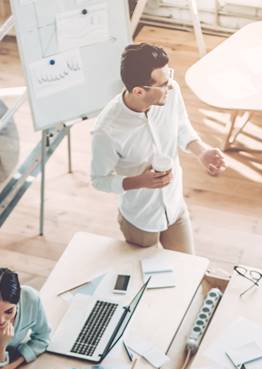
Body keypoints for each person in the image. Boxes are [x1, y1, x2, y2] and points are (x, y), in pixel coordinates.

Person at [90, 43, 227, 253]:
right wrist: (139, 182)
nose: (170, 86)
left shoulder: (171, 92)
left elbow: (181, 126)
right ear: (138, 91)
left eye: (169, 77)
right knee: (146, 278)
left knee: (187, 268)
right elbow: (99, 180)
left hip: (175, 207)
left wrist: (202, 152)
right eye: (162, 84)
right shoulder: (106, 131)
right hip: (140, 218)